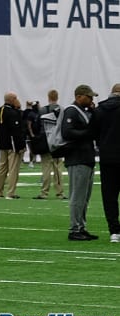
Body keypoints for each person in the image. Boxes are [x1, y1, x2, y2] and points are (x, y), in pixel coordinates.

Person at [62, 85, 98, 241]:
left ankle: (81, 226)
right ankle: (74, 228)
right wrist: (87, 133)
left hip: (87, 158)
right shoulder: (71, 111)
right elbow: (67, 132)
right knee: (77, 196)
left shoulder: (86, 111)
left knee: (85, 197)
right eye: (88, 97)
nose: (91, 100)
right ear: (79, 97)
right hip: (77, 158)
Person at [92, 83, 120, 243]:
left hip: (107, 158)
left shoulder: (100, 110)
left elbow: (93, 133)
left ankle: (114, 231)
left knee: (109, 196)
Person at [33, 90, 65, 200]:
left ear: (48, 97)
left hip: (45, 142)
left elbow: (36, 126)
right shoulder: (62, 110)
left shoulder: (42, 110)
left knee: (46, 168)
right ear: (57, 97)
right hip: (57, 142)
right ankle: (60, 192)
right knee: (58, 168)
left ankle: (44, 192)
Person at [0, 91, 25, 199]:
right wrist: (20, 146)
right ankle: (10, 192)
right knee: (13, 169)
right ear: (12, 100)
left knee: (2, 168)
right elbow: (16, 132)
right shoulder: (13, 113)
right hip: (13, 146)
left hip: (2, 145)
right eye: (16, 98)